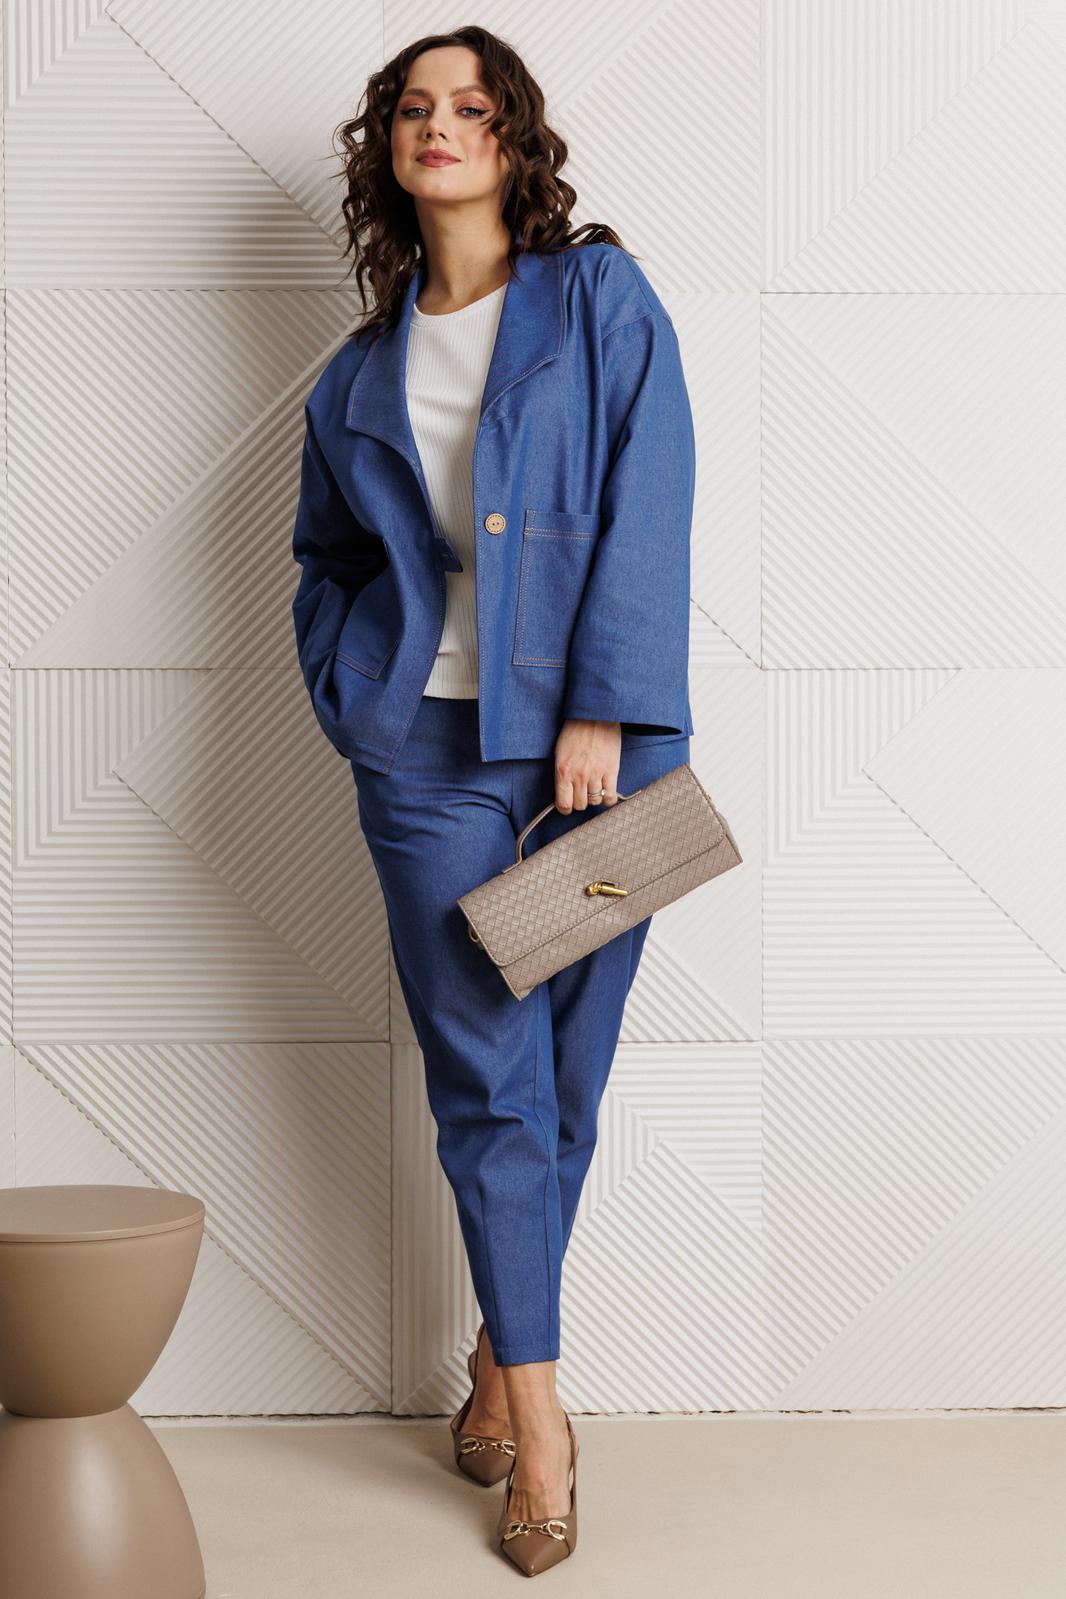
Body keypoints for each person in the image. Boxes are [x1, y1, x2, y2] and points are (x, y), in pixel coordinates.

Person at [291, 25, 697, 1577]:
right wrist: (359, 700)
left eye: (471, 106)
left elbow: (651, 489)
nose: (439, 126)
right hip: (428, 767)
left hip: (602, 757)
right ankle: (542, 1428)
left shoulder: (597, 297)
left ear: (515, 141)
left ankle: (490, 1353)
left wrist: (600, 701)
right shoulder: (356, 375)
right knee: (488, 1086)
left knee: (567, 1078)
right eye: (414, 109)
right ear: (388, 151)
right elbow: (326, 557)